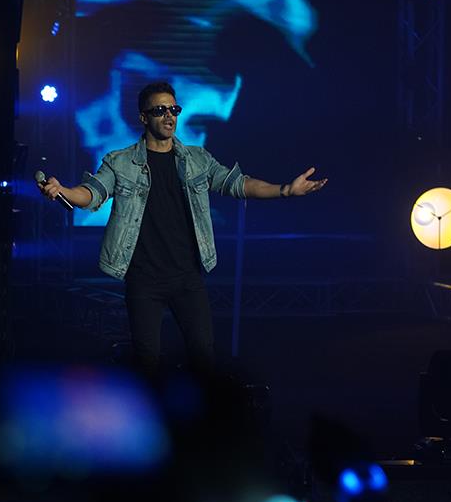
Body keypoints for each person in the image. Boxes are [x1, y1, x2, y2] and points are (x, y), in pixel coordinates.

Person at [38, 80, 327, 373]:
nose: (169, 116)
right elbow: (92, 193)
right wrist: (64, 191)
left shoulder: (197, 159)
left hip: (187, 277)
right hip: (143, 278)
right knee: (147, 361)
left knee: (203, 355)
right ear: (143, 117)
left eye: (173, 109)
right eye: (160, 110)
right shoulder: (120, 162)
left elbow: (238, 184)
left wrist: (285, 190)